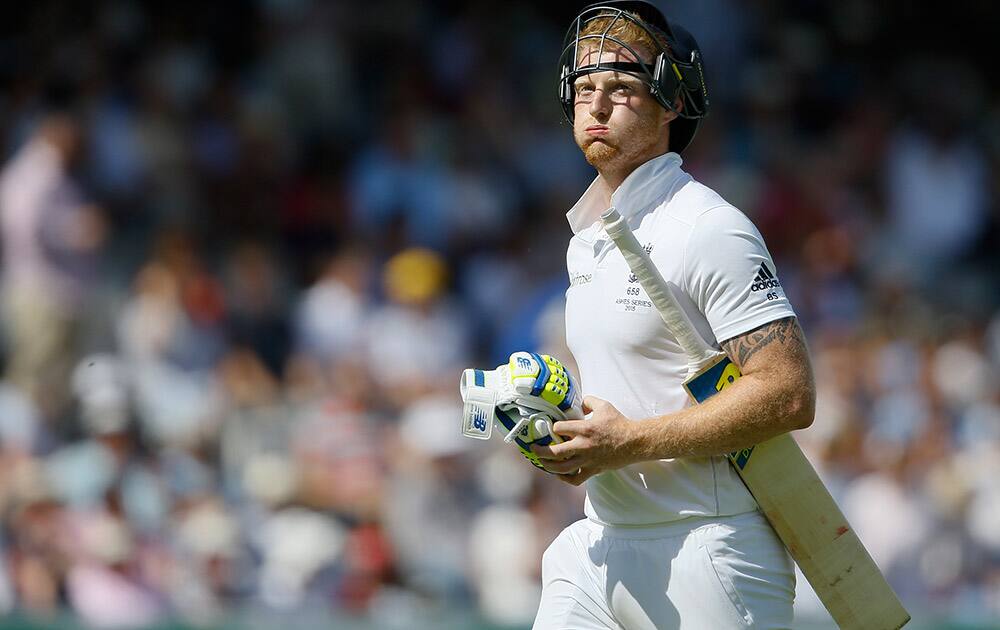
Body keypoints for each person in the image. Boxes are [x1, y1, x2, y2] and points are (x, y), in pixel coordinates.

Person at [530, 2, 816, 628]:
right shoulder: (587, 238)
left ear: (671, 103)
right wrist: (576, 438)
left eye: (623, 89)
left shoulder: (708, 227)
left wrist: (630, 441)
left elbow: (790, 394)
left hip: (709, 549)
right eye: (584, 88)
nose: (596, 106)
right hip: (598, 543)